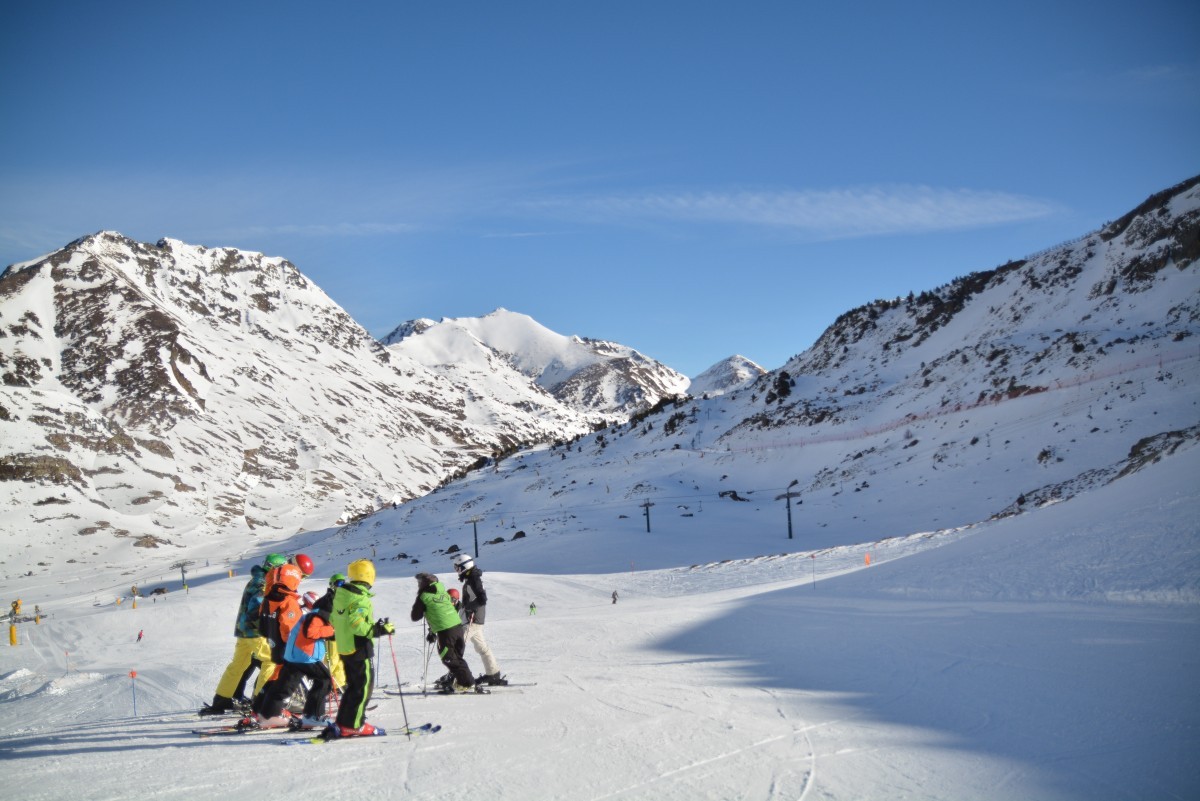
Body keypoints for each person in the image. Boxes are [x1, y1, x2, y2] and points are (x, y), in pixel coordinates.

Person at [200, 554, 281, 716]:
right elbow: (256, 606)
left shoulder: (256, 580)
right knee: (270, 661)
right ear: (273, 567)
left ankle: (222, 698)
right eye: (280, 568)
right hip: (255, 631)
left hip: (244, 631)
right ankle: (260, 703)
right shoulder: (263, 583)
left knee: (238, 664)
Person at [247, 592, 334, 730]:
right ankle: (313, 715)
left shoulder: (310, 615)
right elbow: (311, 632)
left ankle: (268, 714)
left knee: (284, 685)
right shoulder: (318, 616)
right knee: (324, 680)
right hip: (305, 655)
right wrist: (332, 630)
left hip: (292, 654)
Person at [328, 559, 392, 738]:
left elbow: (334, 620)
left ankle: (344, 722)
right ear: (369, 576)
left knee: (353, 687)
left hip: (345, 647)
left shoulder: (341, 595)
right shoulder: (360, 598)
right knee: (364, 687)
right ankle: (355, 725)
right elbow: (357, 625)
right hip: (359, 647)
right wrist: (379, 629)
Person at [245, 561, 305, 726]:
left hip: (274, 646)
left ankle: (258, 709)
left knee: (275, 677)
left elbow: (263, 627)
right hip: (288, 649)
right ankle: (271, 714)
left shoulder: (267, 600)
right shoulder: (288, 601)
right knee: (286, 681)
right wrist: (297, 646)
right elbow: (290, 628)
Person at [411, 572, 477, 693]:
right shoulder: (443, 593)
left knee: (449, 658)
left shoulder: (424, 596)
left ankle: (467, 682)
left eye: (419, 582)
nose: (418, 585)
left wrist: (422, 607)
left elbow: (415, 616)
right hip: (457, 627)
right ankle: (462, 681)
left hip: (446, 630)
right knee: (455, 657)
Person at [453, 553, 506, 686]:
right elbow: (471, 600)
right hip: (474, 620)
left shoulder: (474, 579)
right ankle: (493, 674)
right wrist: (461, 606)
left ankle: (457, 678)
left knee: (456, 647)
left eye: (458, 568)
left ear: (465, 566)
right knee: (482, 648)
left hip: (472, 620)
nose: (457, 571)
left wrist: (469, 609)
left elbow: (482, 599)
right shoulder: (471, 578)